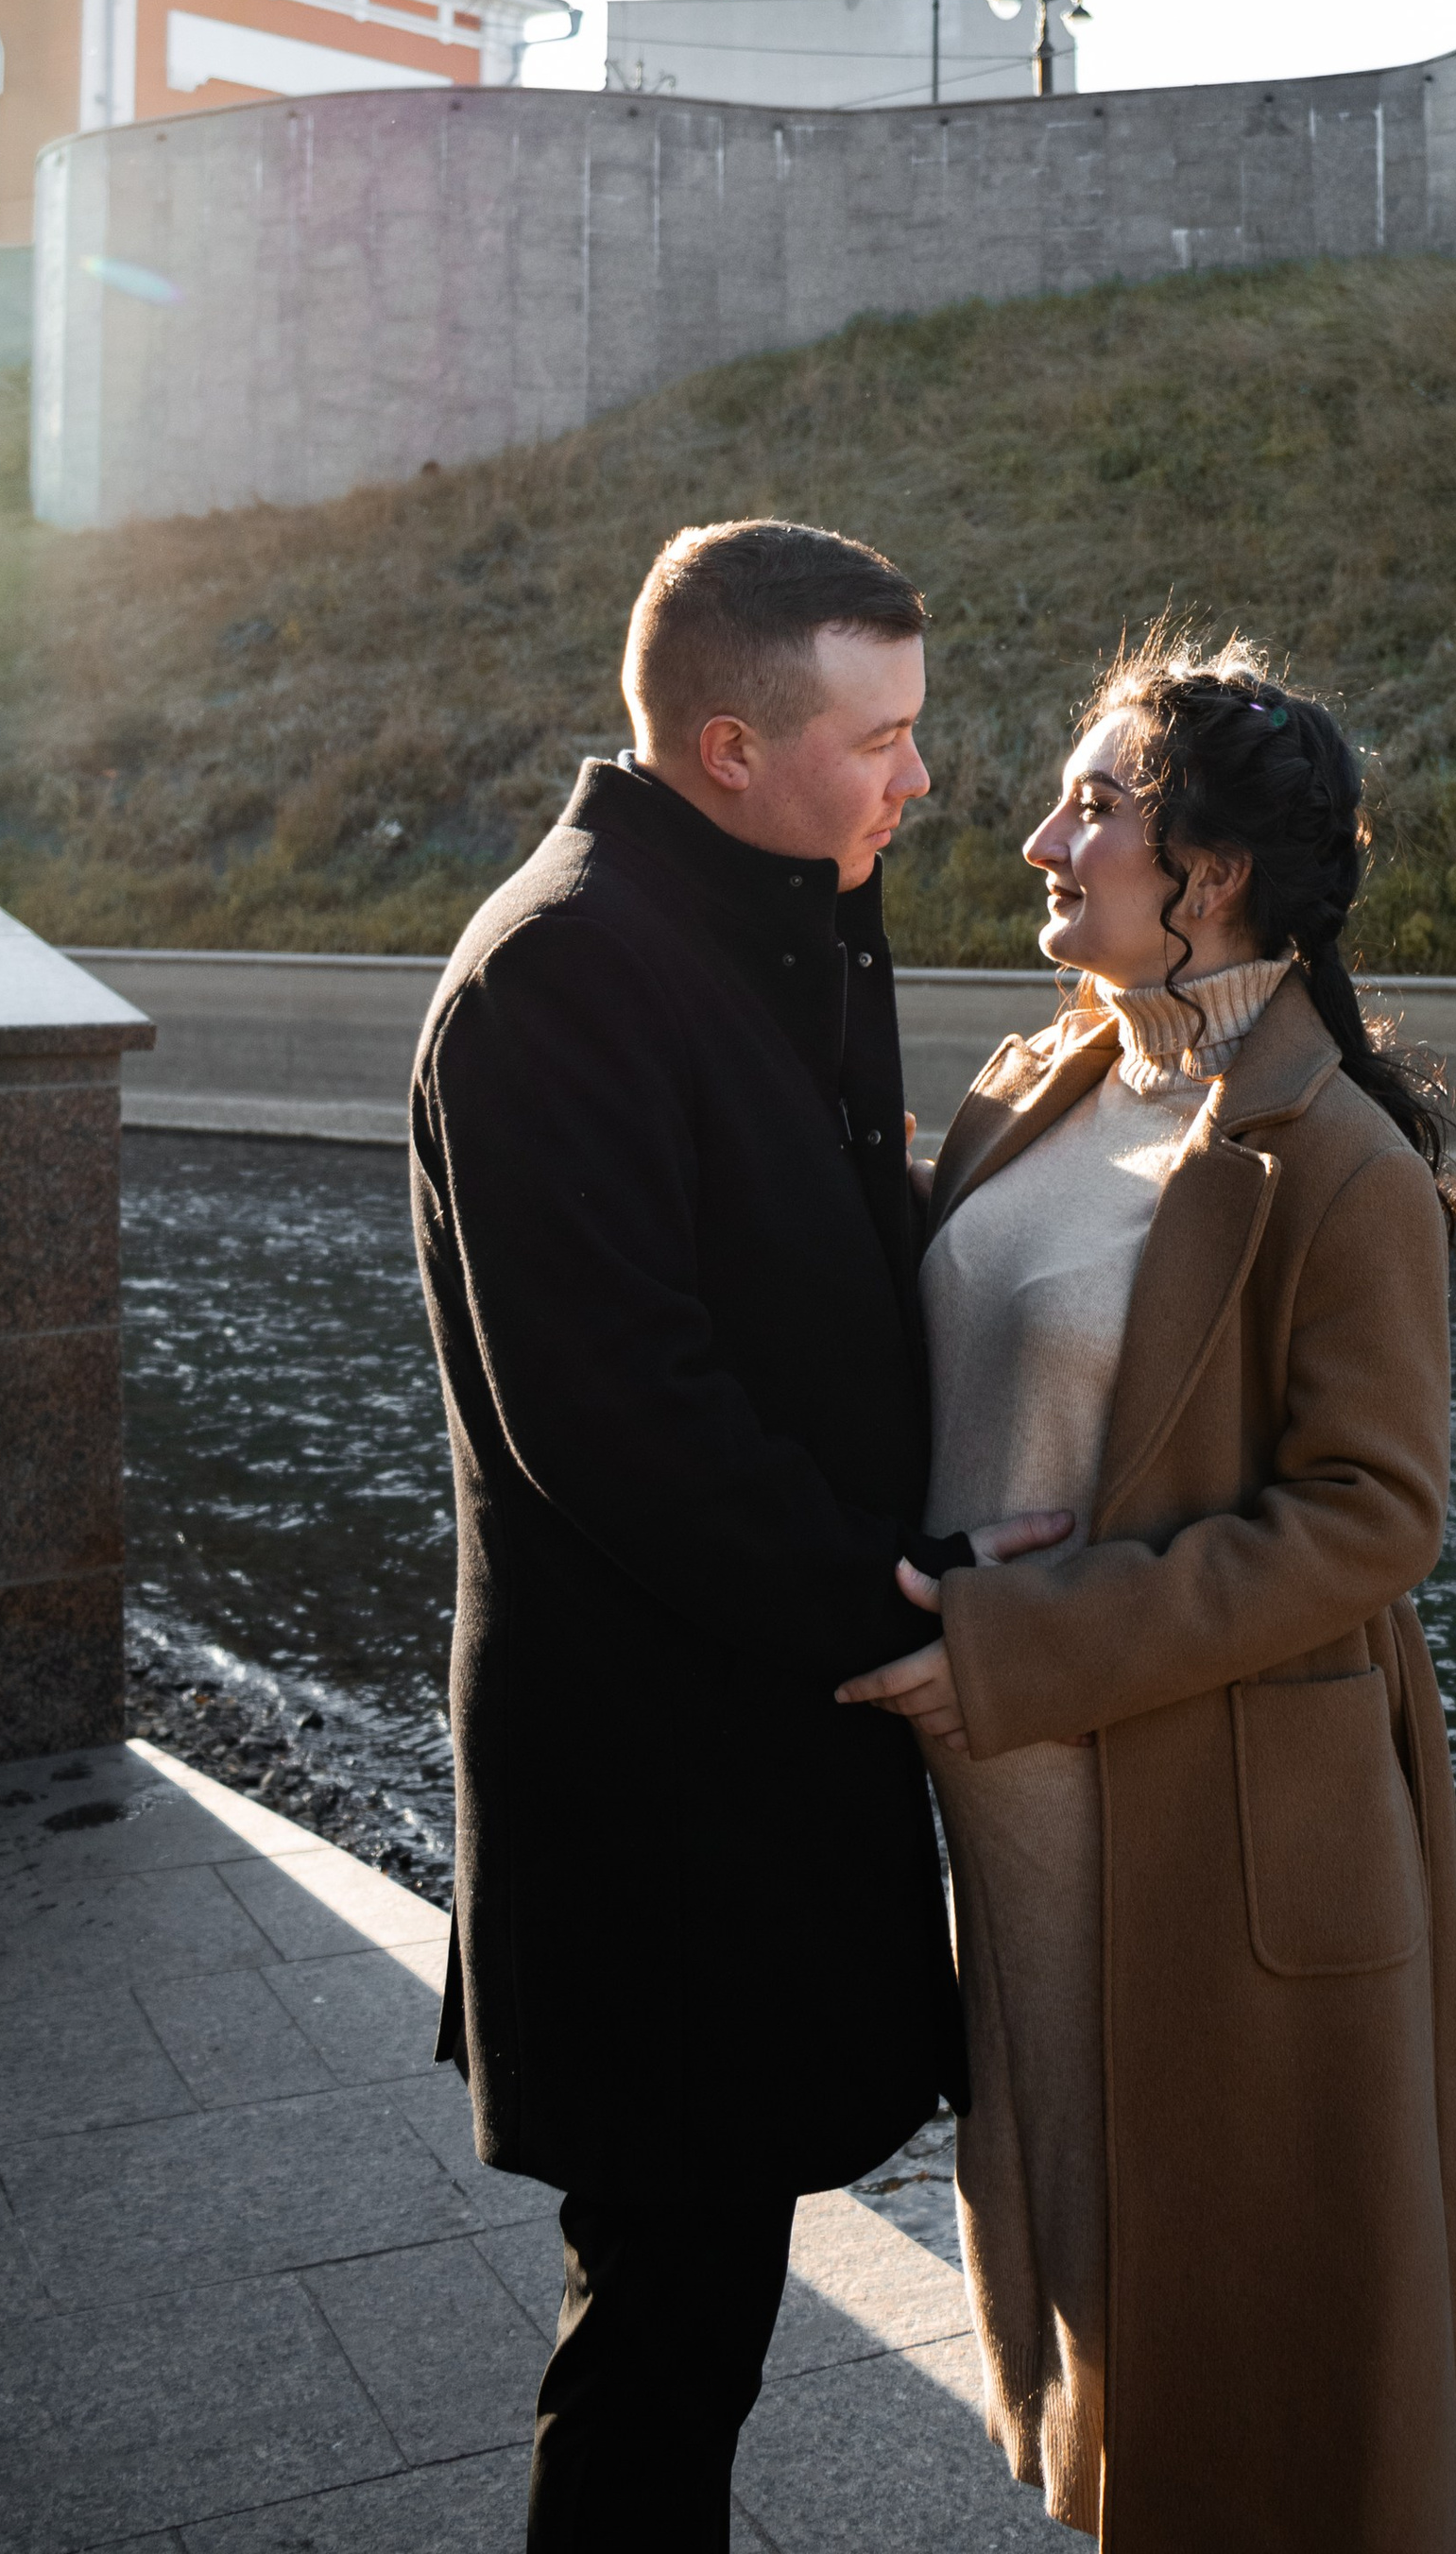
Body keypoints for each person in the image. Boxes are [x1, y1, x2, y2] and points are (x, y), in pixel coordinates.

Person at [410, 517, 1067, 2549]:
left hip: (732, 1775)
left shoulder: (760, 912)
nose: (923, 780)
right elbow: (617, 1410)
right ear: (724, 742)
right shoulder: (571, 969)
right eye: (879, 738)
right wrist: (885, 1595)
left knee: (692, 2321)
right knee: (660, 2349)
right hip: (654, 1816)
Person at [839, 638, 1456, 2554]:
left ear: (1206, 875)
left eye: (1094, 809)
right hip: (1019, 1809)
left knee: (1244, 2367)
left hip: (1201, 1835)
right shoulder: (1043, 1080)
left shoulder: (1332, 1165)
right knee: (1081, 2295)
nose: (1042, 840)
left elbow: (1372, 1521)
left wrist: (1023, 1644)